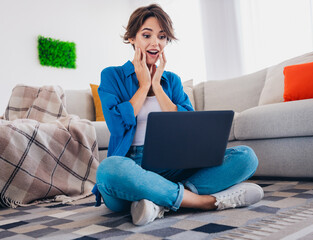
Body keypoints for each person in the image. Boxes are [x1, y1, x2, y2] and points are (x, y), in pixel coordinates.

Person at [93, 4, 264, 226]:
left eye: (162, 37)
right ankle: (203, 201)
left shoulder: (171, 80)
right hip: (131, 167)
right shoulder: (112, 76)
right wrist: (144, 86)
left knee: (247, 157)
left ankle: (157, 201)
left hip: (173, 164)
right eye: (147, 35)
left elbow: (188, 125)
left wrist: (157, 85)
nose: (156, 43)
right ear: (132, 39)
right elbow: (116, 126)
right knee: (108, 169)